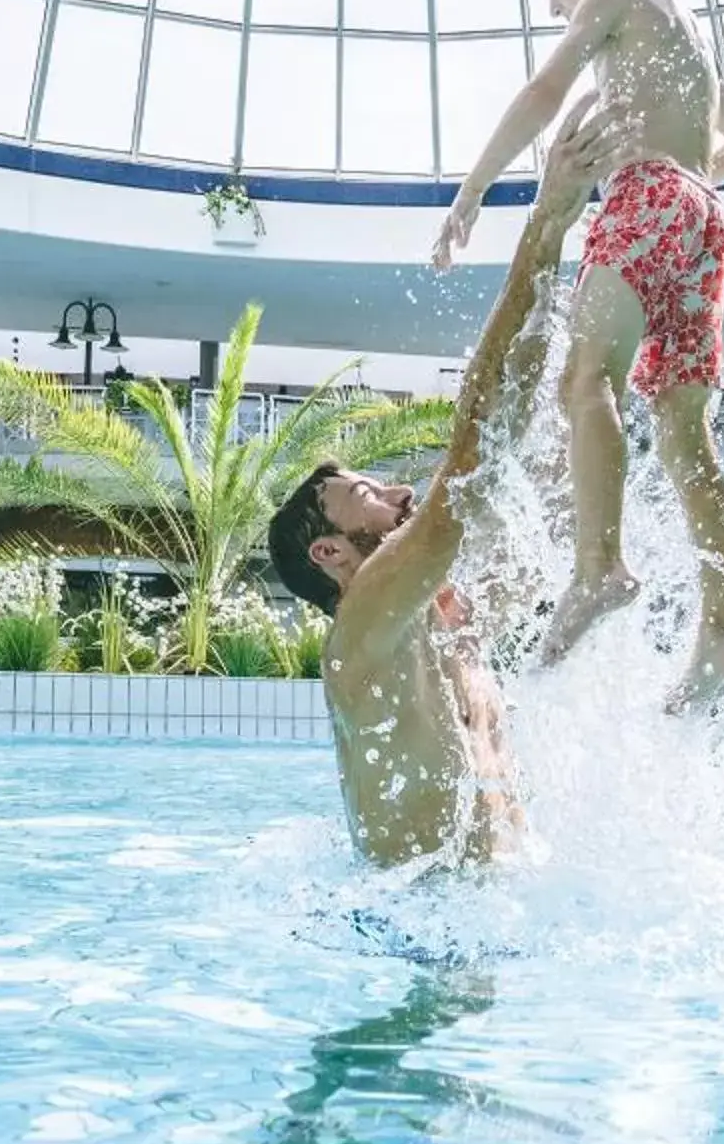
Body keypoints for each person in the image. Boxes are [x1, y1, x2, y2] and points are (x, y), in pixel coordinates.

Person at [429, 0, 724, 711]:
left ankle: (599, 568)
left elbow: (544, 93)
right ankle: (721, 626)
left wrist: (471, 193)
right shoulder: (687, 39)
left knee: (585, 382)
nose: (555, 2)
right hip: (704, 217)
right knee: (685, 429)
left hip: (650, 199)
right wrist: (687, 180)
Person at [271, 99, 633, 867]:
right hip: (429, 932)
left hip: (487, 917)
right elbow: (474, 441)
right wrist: (545, 220)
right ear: (331, 554)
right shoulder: (362, 627)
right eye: (365, 495)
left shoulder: (443, 623)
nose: (400, 493)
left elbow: (502, 433)